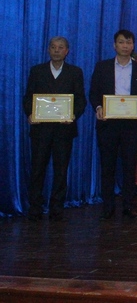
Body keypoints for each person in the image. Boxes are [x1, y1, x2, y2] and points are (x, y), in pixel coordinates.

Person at [23, 36, 87, 221]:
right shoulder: (37, 71)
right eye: (53, 47)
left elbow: (80, 99)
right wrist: (30, 113)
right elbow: (28, 97)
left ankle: (57, 208)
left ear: (67, 51)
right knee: (37, 169)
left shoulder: (75, 72)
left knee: (61, 170)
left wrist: (73, 115)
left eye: (60, 47)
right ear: (48, 50)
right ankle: (35, 208)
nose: (56, 50)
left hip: (64, 130)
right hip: (40, 129)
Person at [89, 30, 137, 220]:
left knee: (129, 166)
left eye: (128, 42)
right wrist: (99, 107)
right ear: (114, 45)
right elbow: (94, 93)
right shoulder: (102, 67)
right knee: (107, 167)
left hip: (131, 125)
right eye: (121, 42)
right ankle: (108, 207)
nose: (125, 46)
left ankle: (128, 206)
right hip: (108, 124)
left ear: (133, 46)